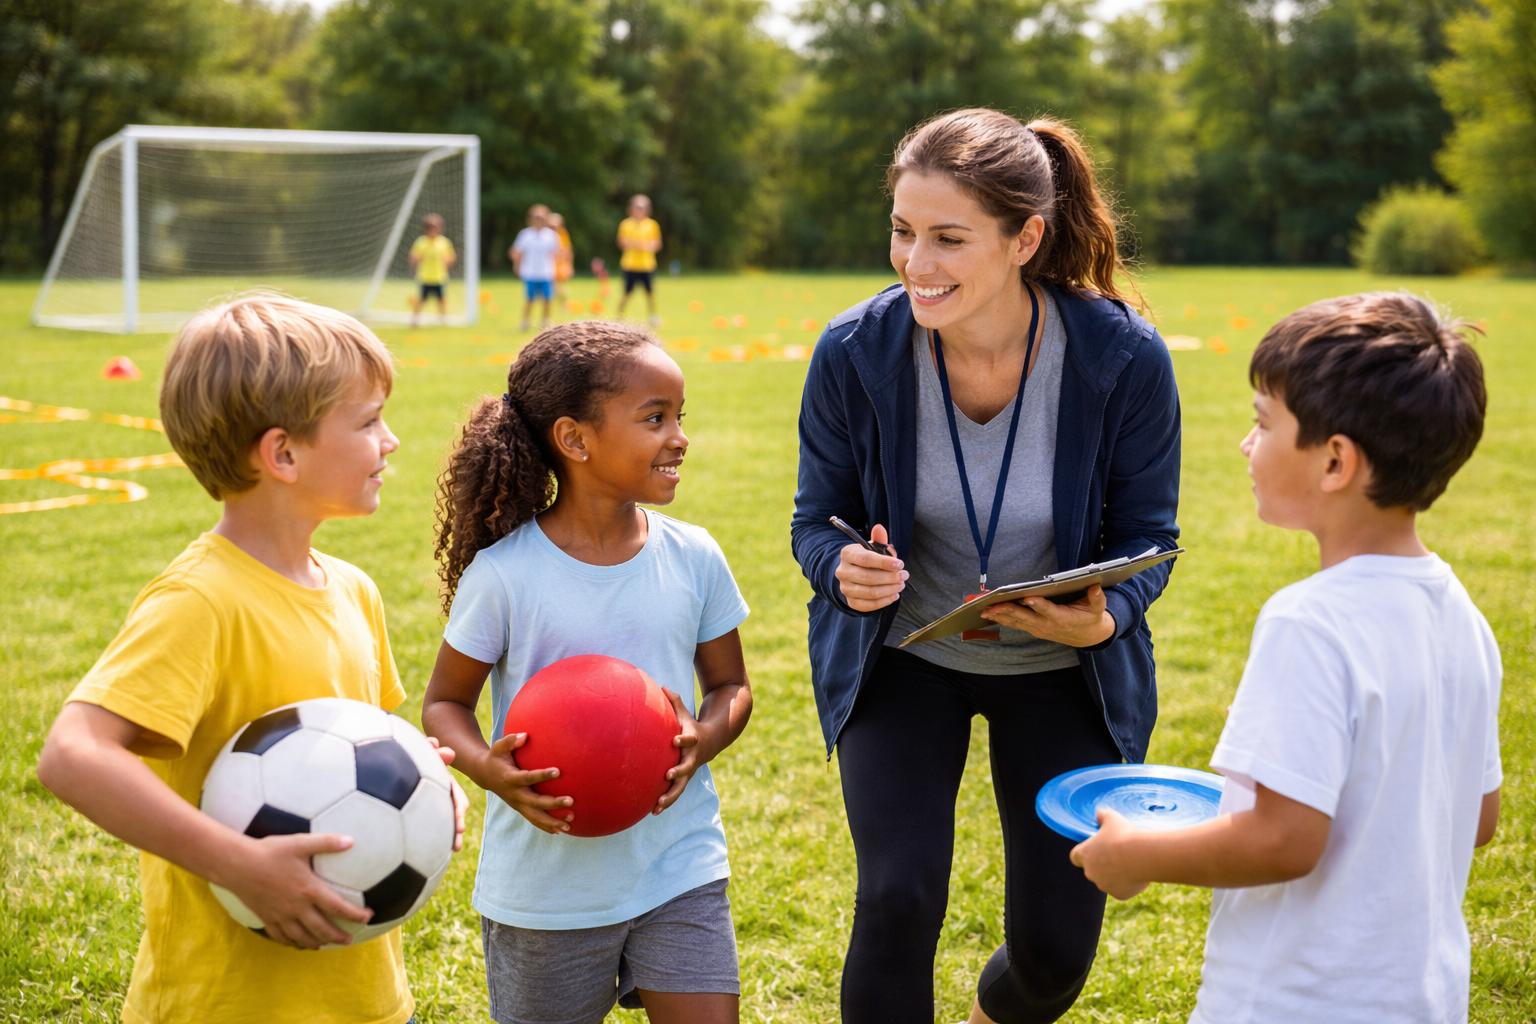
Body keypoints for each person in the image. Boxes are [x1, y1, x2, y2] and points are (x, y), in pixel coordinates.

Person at [790, 108, 1182, 1024]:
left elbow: (1149, 536)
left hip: (1062, 669)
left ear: (1026, 237)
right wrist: (841, 566)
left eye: (948, 238)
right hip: (903, 658)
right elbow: (818, 520)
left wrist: (1106, 619)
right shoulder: (854, 353)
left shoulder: (1121, 356)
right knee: (897, 899)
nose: (914, 262)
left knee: (1053, 953)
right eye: (902, 230)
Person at [34, 294, 467, 1024]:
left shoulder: (356, 592)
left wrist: (425, 783)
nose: (390, 442)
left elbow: (358, 755)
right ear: (283, 454)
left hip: (365, 1000)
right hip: (225, 1003)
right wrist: (237, 864)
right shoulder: (201, 600)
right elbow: (71, 756)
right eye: (367, 422)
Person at [1070, 292, 1501, 1024]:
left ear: (1335, 461)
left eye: (1263, 422)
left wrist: (1137, 855)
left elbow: (1282, 838)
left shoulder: (1310, 620)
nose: (1246, 443)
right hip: (1423, 999)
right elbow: (1480, 817)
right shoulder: (1460, 613)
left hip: (1295, 1001)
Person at [422, 321, 753, 1024]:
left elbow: (732, 686)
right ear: (574, 440)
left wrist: (706, 737)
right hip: (548, 890)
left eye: (679, 417)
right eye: (654, 418)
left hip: (678, 864)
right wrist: (489, 768)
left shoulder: (693, 556)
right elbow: (445, 704)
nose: (679, 437)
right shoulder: (505, 575)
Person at [511, 205, 562, 332]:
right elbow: (517, 251)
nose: (539, 220)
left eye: (541, 217)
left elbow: (558, 253)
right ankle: (525, 321)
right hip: (530, 272)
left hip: (546, 272)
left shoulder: (551, 236)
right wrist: (516, 265)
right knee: (529, 299)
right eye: (536, 217)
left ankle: (545, 322)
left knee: (547, 299)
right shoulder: (525, 235)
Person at [616, 194, 662, 326]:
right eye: (637, 207)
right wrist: (642, 245)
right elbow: (622, 243)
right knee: (626, 292)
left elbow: (657, 244)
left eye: (642, 207)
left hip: (647, 265)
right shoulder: (625, 224)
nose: (640, 210)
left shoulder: (652, 225)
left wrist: (639, 245)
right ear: (630, 209)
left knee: (650, 292)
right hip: (629, 264)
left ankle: (653, 316)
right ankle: (619, 317)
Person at [409, 213, 457, 327]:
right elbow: (413, 257)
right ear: (426, 229)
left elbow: (451, 258)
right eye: (430, 228)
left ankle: (443, 319)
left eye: (435, 228)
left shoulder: (444, 243)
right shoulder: (421, 242)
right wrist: (416, 262)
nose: (433, 231)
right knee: (421, 300)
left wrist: (447, 260)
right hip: (425, 277)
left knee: (441, 300)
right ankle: (415, 319)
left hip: (439, 277)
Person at [548, 211, 575, 305]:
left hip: (559, 264)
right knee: (552, 286)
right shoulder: (547, 234)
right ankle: (555, 303)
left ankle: (563, 303)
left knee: (559, 286)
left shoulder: (563, 234)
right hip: (549, 263)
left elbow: (568, 250)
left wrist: (570, 265)